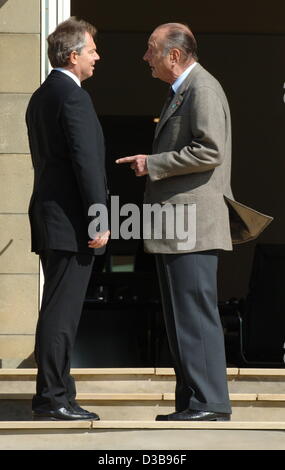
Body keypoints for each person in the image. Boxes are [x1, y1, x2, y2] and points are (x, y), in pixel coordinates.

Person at [116, 23, 272, 421]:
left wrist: (152, 164)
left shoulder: (202, 87)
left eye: (151, 50)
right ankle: (193, 401)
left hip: (193, 224)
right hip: (178, 225)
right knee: (181, 316)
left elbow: (210, 150)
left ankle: (210, 402)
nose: (145, 58)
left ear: (174, 55)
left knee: (194, 313)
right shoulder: (184, 90)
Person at [26, 17, 109, 421]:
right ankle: (53, 397)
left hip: (49, 218)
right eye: (92, 50)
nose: (97, 57)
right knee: (62, 312)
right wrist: (99, 217)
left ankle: (60, 392)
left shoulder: (42, 95)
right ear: (73, 55)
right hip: (70, 222)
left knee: (57, 309)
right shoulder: (73, 96)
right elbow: (87, 163)